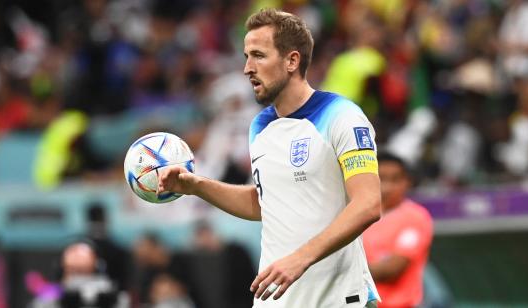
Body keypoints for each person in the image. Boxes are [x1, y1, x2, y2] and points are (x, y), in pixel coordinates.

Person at [158, 8, 382, 308]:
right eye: (246, 57)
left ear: (292, 60)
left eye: (259, 56)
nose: (247, 68)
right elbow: (267, 203)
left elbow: (368, 204)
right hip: (276, 300)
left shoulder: (343, 116)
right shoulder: (260, 127)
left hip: (337, 298)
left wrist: (300, 258)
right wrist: (196, 186)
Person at [362, 152, 433, 308]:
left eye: (395, 179)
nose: (387, 187)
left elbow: (392, 269)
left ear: (407, 182)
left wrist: (344, 272)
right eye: (381, 179)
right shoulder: (358, 215)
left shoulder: (415, 217)